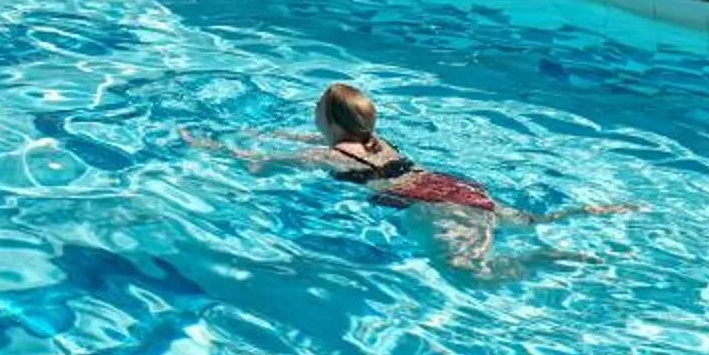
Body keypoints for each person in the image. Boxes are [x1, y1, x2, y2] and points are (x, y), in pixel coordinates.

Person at [191, 83, 631, 281]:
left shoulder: (327, 155)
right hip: (454, 187)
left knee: (464, 273)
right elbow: (323, 138)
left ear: (325, 122)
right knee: (525, 219)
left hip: (433, 208)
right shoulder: (377, 141)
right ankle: (580, 214)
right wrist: (272, 132)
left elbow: (259, 166)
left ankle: (542, 260)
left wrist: (214, 147)